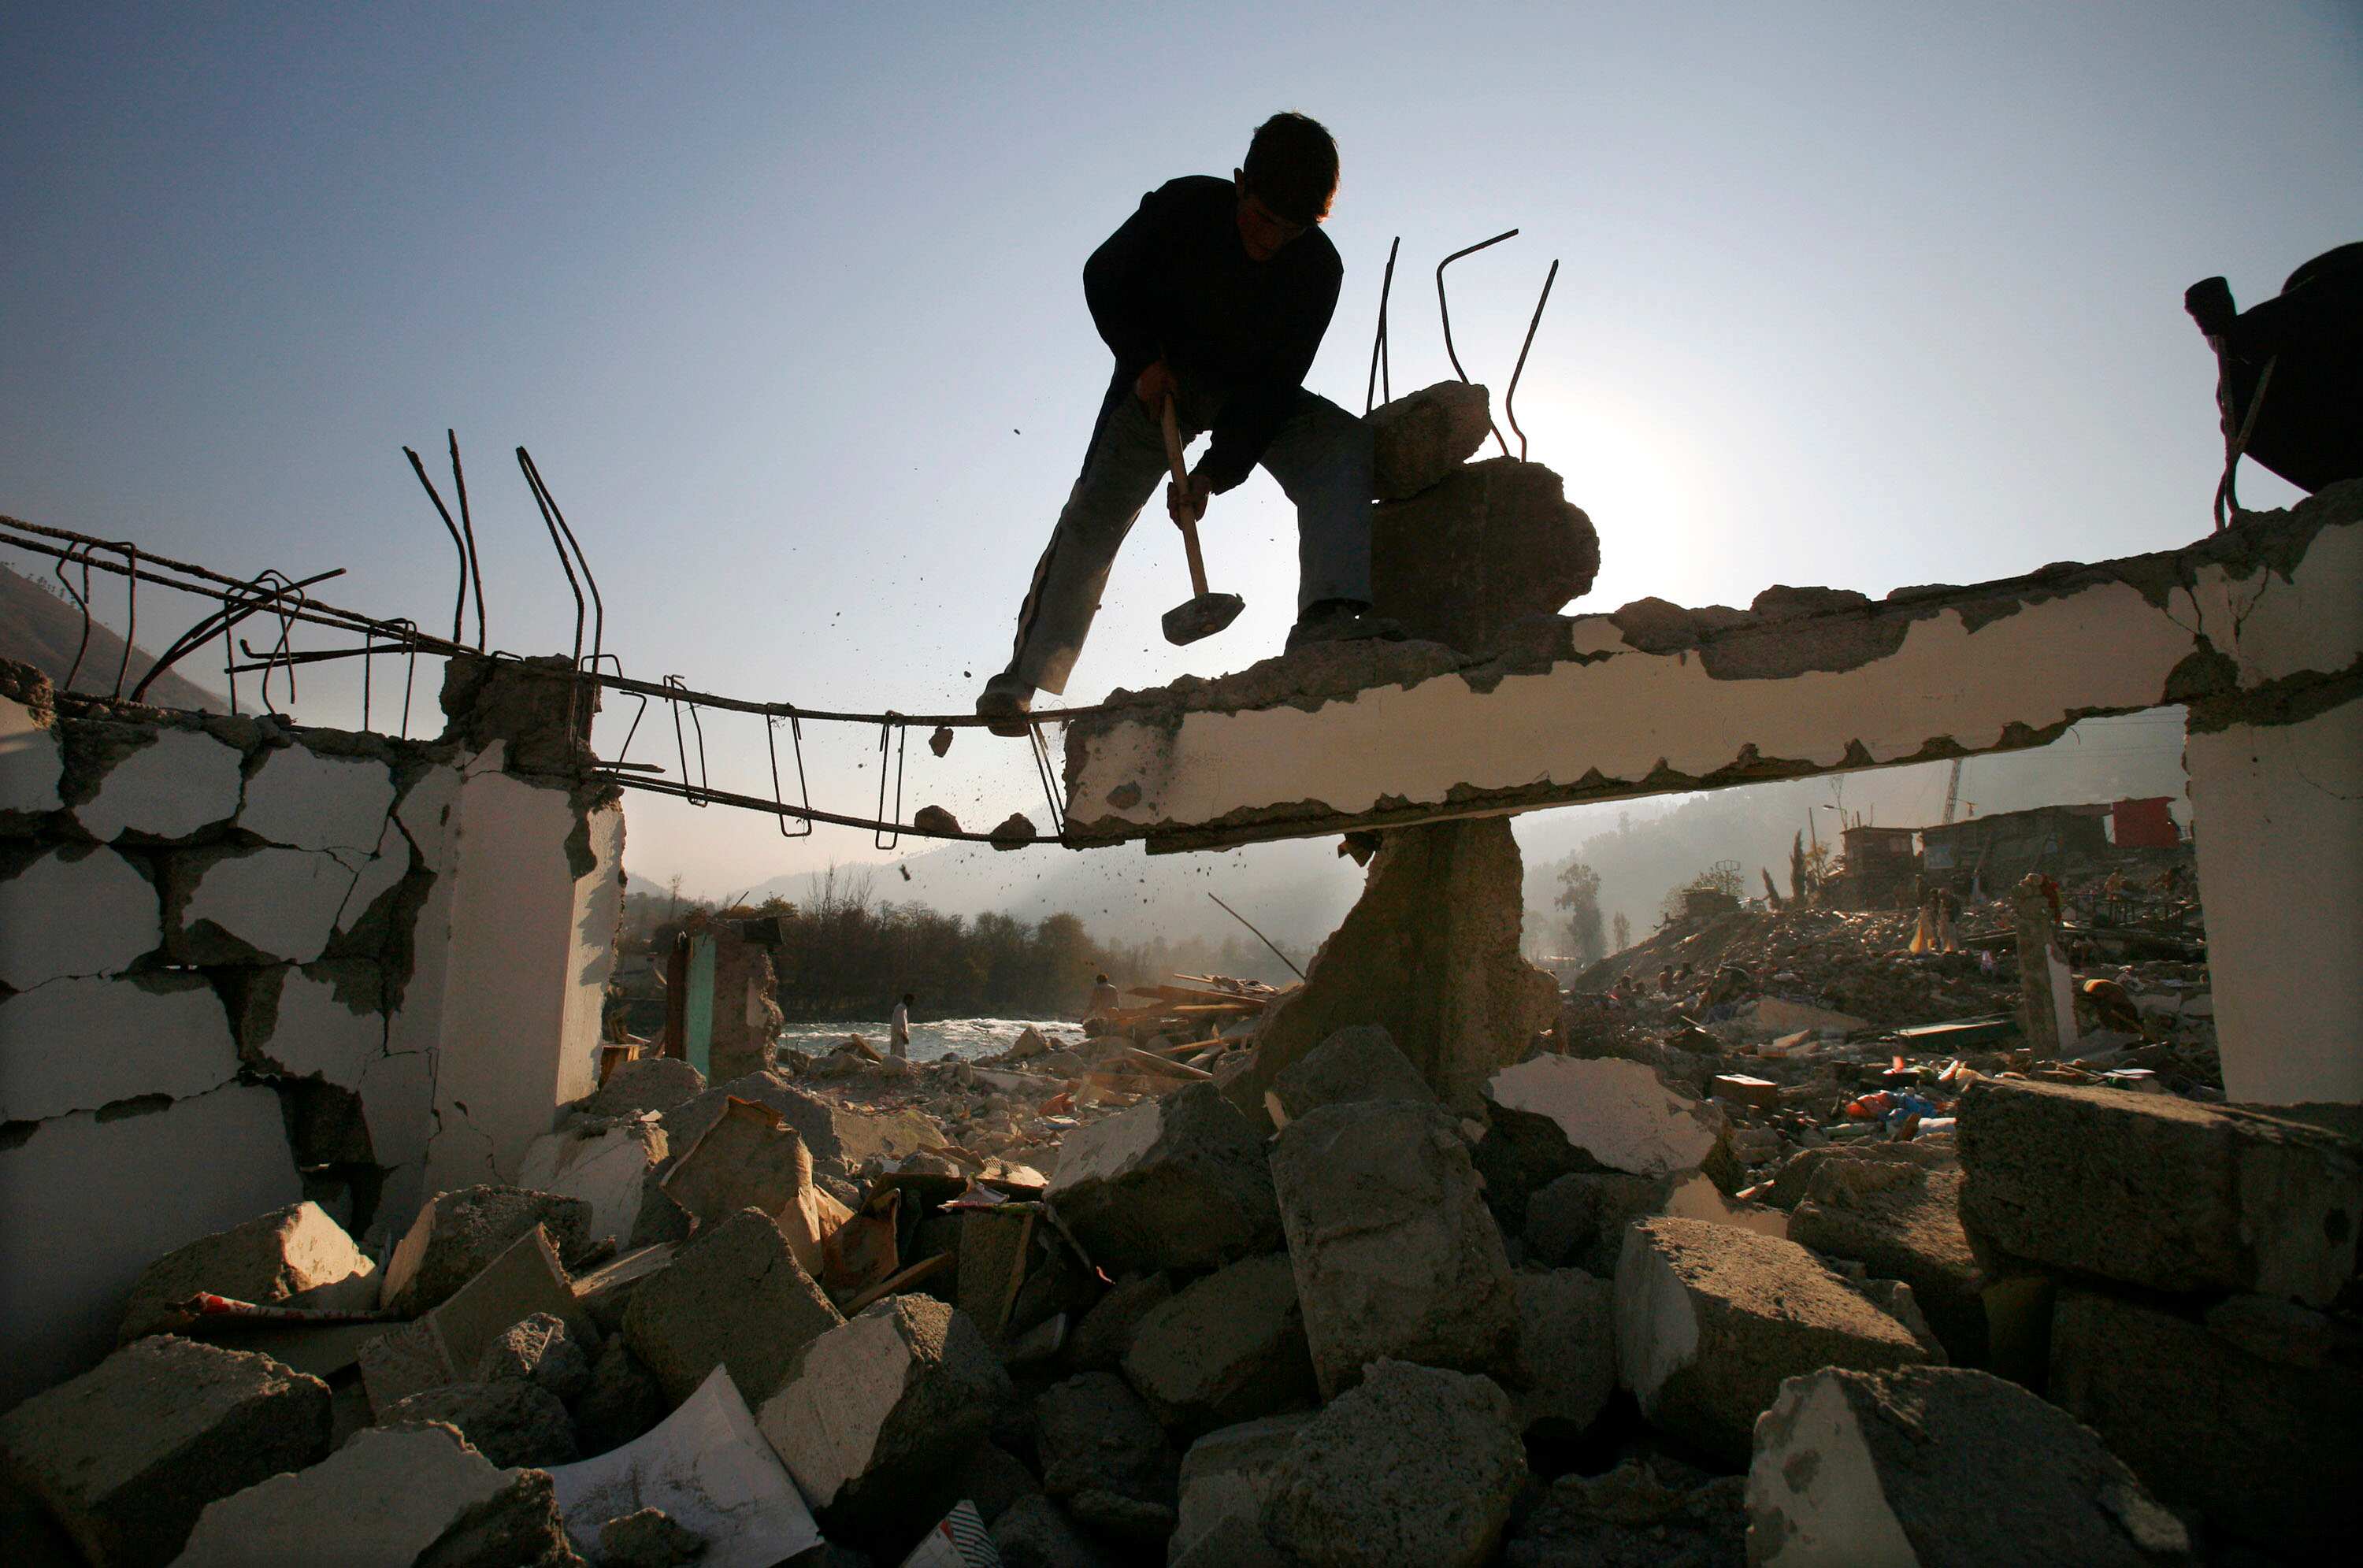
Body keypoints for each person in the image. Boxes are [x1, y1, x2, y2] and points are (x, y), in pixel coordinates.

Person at [976, 112, 1397, 735]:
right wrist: (1143, 358)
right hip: (1157, 384)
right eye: (1261, 218)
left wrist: (1213, 474)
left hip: (1244, 395)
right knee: (1095, 515)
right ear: (1239, 185)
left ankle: (1330, 620)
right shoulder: (1185, 207)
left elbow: (1275, 390)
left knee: (1338, 443)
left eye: (1291, 229)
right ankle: (1021, 682)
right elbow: (1104, 276)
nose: (1270, 239)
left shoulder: (1317, 271)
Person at [888, 992, 913, 1060]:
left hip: (900, 1036)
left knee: (899, 1056)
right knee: (899, 1057)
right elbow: (897, 1025)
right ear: (907, 1000)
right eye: (911, 1001)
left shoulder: (902, 1008)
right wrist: (904, 1036)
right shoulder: (900, 1008)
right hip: (899, 1037)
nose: (911, 1003)